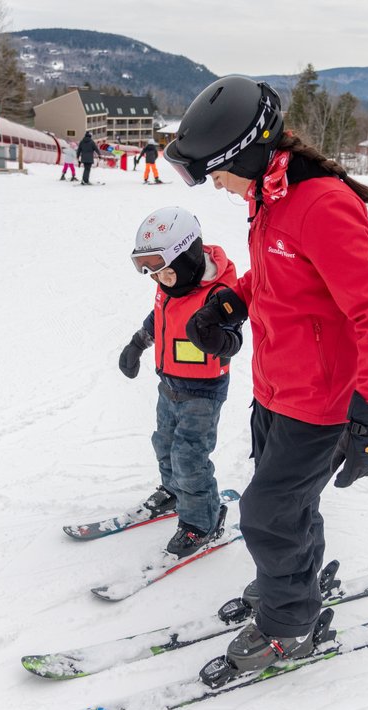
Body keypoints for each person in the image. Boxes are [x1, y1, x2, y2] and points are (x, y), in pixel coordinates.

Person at [165, 76, 368, 673]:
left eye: (212, 172)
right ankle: (292, 581)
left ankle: (289, 624)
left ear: (242, 154)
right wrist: (231, 300)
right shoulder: (271, 196)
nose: (212, 184)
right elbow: (279, 280)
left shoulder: (321, 204)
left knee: (267, 513)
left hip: (321, 403)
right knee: (289, 508)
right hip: (275, 389)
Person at [118, 206, 244, 558]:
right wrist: (136, 344)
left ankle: (203, 520)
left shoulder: (219, 295)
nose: (160, 283)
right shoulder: (169, 284)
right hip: (169, 384)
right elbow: (157, 317)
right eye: (155, 277)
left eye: (166, 274)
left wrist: (220, 340)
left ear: (188, 259)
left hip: (203, 393)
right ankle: (175, 492)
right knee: (165, 444)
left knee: (190, 457)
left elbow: (235, 336)